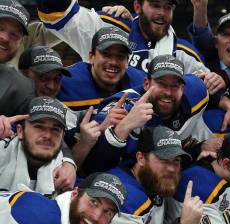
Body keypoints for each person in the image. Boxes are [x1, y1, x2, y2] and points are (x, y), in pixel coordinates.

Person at [83, 55, 219, 174]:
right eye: (161, 84)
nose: (168, 92)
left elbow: (211, 84)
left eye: (174, 86)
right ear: (146, 84)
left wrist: (224, 87)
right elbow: (90, 168)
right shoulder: (122, 107)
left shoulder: (197, 92)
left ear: (183, 88)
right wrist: (123, 127)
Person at [36, 0, 210, 75]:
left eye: (168, 7)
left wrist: (223, 97)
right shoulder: (109, 25)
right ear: (137, 6)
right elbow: (57, 15)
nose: (161, 13)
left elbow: (211, 87)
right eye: (155, 5)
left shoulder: (184, 53)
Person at [55, 26, 145, 113]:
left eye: (120, 56)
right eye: (106, 54)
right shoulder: (64, 81)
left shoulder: (142, 82)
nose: (113, 62)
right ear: (91, 57)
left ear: (127, 62)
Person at [0, 97, 76, 196]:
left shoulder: (67, 179)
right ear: (20, 131)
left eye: (55, 129)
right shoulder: (3, 154)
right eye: (39, 127)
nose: (48, 136)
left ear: (62, 137)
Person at [0, 0, 35, 116]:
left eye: (14, 34)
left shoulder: (22, 89)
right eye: (0, 28)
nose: (4, 37)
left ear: (20, 42)